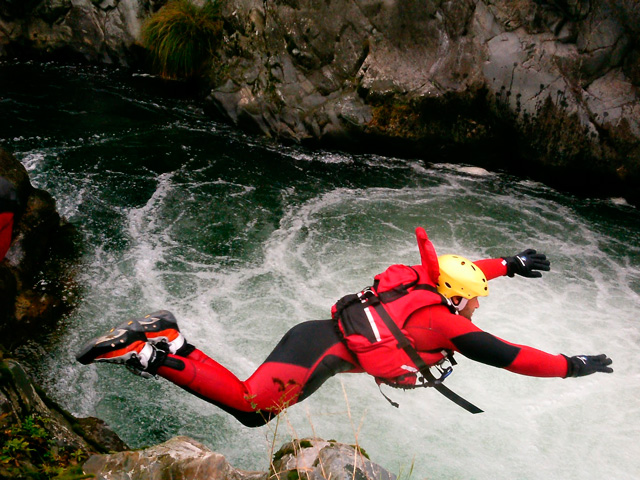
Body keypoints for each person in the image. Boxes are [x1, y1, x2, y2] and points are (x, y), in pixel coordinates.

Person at [76, 227, 613, 427]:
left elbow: (452, 269)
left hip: (313, 334)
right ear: (456, 302)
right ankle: (151, 353)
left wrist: (508, 265)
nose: (476, 309)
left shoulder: (418, 281)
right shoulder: (444, 326)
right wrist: (572, 366)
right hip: (317, 353)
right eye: (473, 302)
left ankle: (170, 338)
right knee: (253, 409)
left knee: (253, 407)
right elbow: (508, 356)